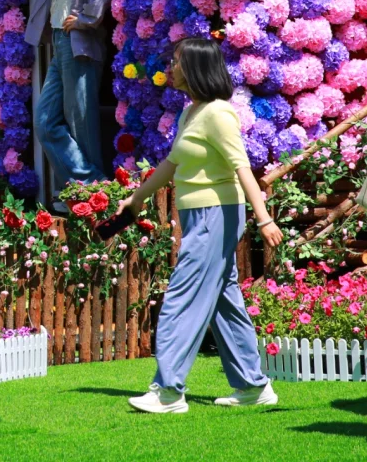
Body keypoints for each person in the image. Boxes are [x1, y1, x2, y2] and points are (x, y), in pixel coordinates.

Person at [101, 36, 284, 413]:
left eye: (177, 61)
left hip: (218, 213)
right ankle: (252, 385)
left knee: (182, 297)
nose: (170, 67)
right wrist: (136, 198)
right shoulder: (192, 113)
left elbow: (241, 167)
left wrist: (263, 217)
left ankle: (168, 391)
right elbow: (172, 165)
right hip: (199, 214)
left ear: (197, 68)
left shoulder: (219, 113)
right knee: (222, 301)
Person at [25, 0, 114, 196]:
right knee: (45, 121)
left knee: (81, 123)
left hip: (80, 47)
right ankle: (91, 185)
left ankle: (91, 194)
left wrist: (85, 20)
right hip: (59, 44)